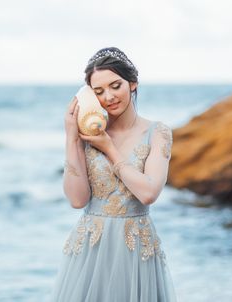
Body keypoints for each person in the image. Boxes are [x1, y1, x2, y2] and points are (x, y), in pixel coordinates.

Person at [50, 47, 177, 301]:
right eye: (98, 92)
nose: (108, 96)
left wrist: (108, 148)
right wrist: (72, 137)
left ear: (132, 84)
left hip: (134, 249)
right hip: (90, 249)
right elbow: (77, 200)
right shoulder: (88, 135)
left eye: (115, 85)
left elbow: (149, 192)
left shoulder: (157, 132)